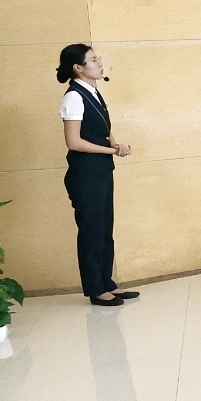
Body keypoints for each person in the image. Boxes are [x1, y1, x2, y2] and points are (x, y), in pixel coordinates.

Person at [56, 44, 139, 307]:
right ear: (77, 67)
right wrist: (110, 150)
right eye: (93, 60)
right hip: (86, 172)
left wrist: (115, 144)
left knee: (104, 227)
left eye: (98, 58)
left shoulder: (92, 91)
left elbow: (102, 128)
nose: (99, 63)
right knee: (92, 229)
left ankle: (107, 284)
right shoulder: (74, 97)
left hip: (100, 168)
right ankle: (96, 289)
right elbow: (74, 142)